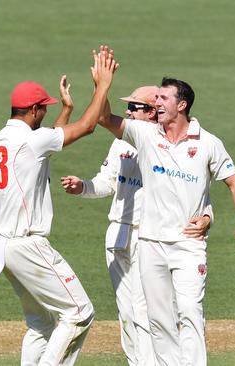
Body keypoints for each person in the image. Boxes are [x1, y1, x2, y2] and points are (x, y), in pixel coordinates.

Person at [98, 77, 235, 366]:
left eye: (163, 99)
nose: (156, 103)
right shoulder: (146, 134)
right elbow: (104, 118)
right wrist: (103, 84)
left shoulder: (207, 143)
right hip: (150, 243)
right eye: (156, 99)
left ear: (181, 105)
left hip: (188, 243)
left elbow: (234, 182)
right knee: (158, 319)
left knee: (189, 311)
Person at [59, 86, 213, 365]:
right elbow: (106, 182)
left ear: (153, 111)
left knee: (147, 312)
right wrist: (83, 187)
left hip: (149, 236)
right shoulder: (120, 144)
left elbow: (194, 191)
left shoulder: (165, 145)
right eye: (128, 107)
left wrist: (206, 217)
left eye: (135, 107)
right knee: (127, 313)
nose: (128, 112)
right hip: (118, 232)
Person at [0, 46, 118, 365]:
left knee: (41, 325)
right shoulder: (31, 141)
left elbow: (44, 146)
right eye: (43, 108)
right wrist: (102, 86)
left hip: (4, 245)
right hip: (29, 245)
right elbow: (86, 128)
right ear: (33, 110)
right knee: (79, 313)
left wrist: (66, 110)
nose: (44, 112)